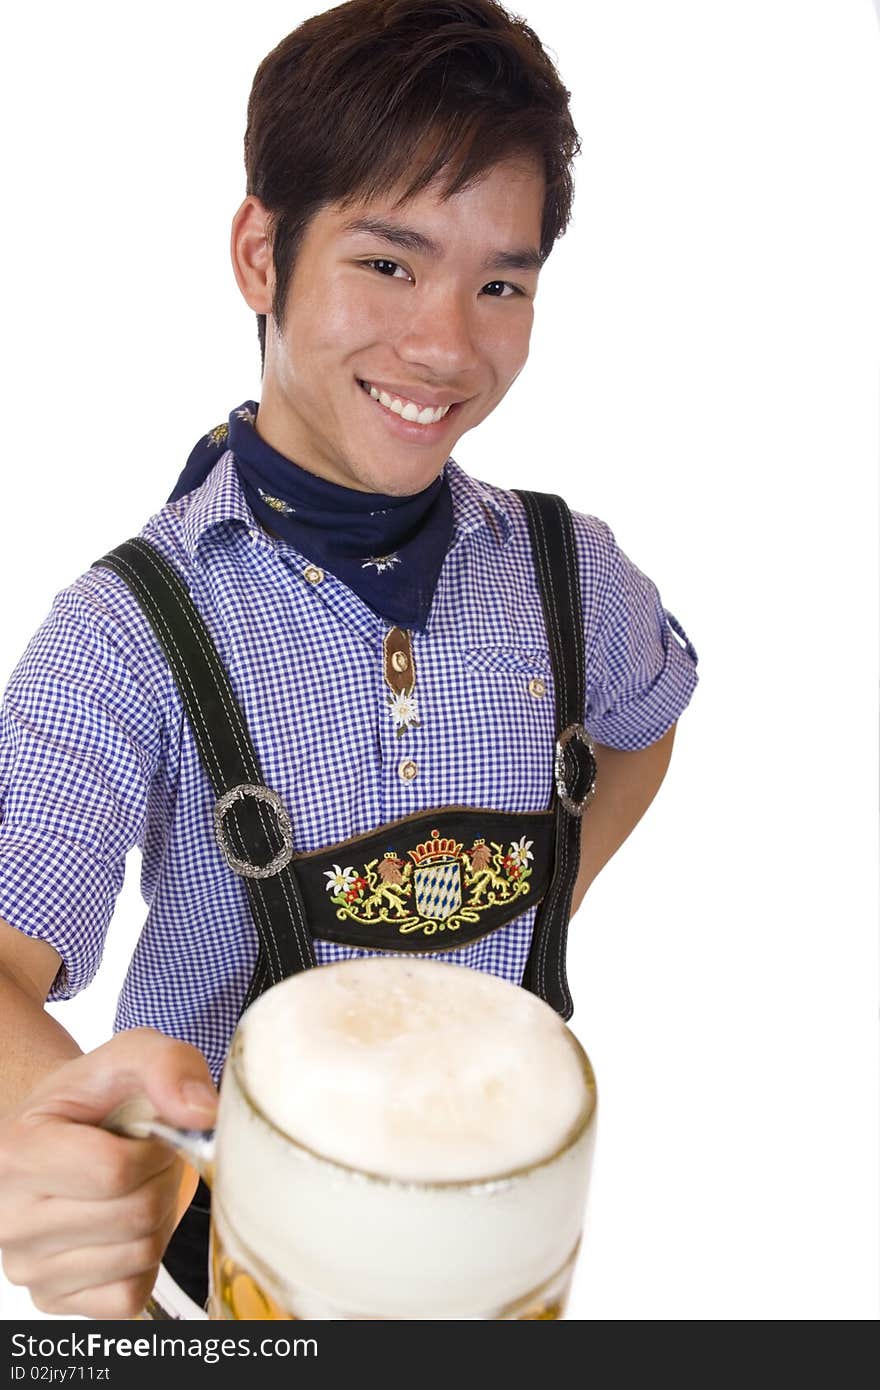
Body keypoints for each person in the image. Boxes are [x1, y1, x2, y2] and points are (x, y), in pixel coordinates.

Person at [0, 0, 698, 1320]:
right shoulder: (125, 634)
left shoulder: (573, 574)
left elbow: (648, 718)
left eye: (501, 282)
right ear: (261, 252)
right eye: (389, 262)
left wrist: (553, 898)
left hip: (510, 1243)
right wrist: (63, 1144)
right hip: (244, 1268)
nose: (446, 344)